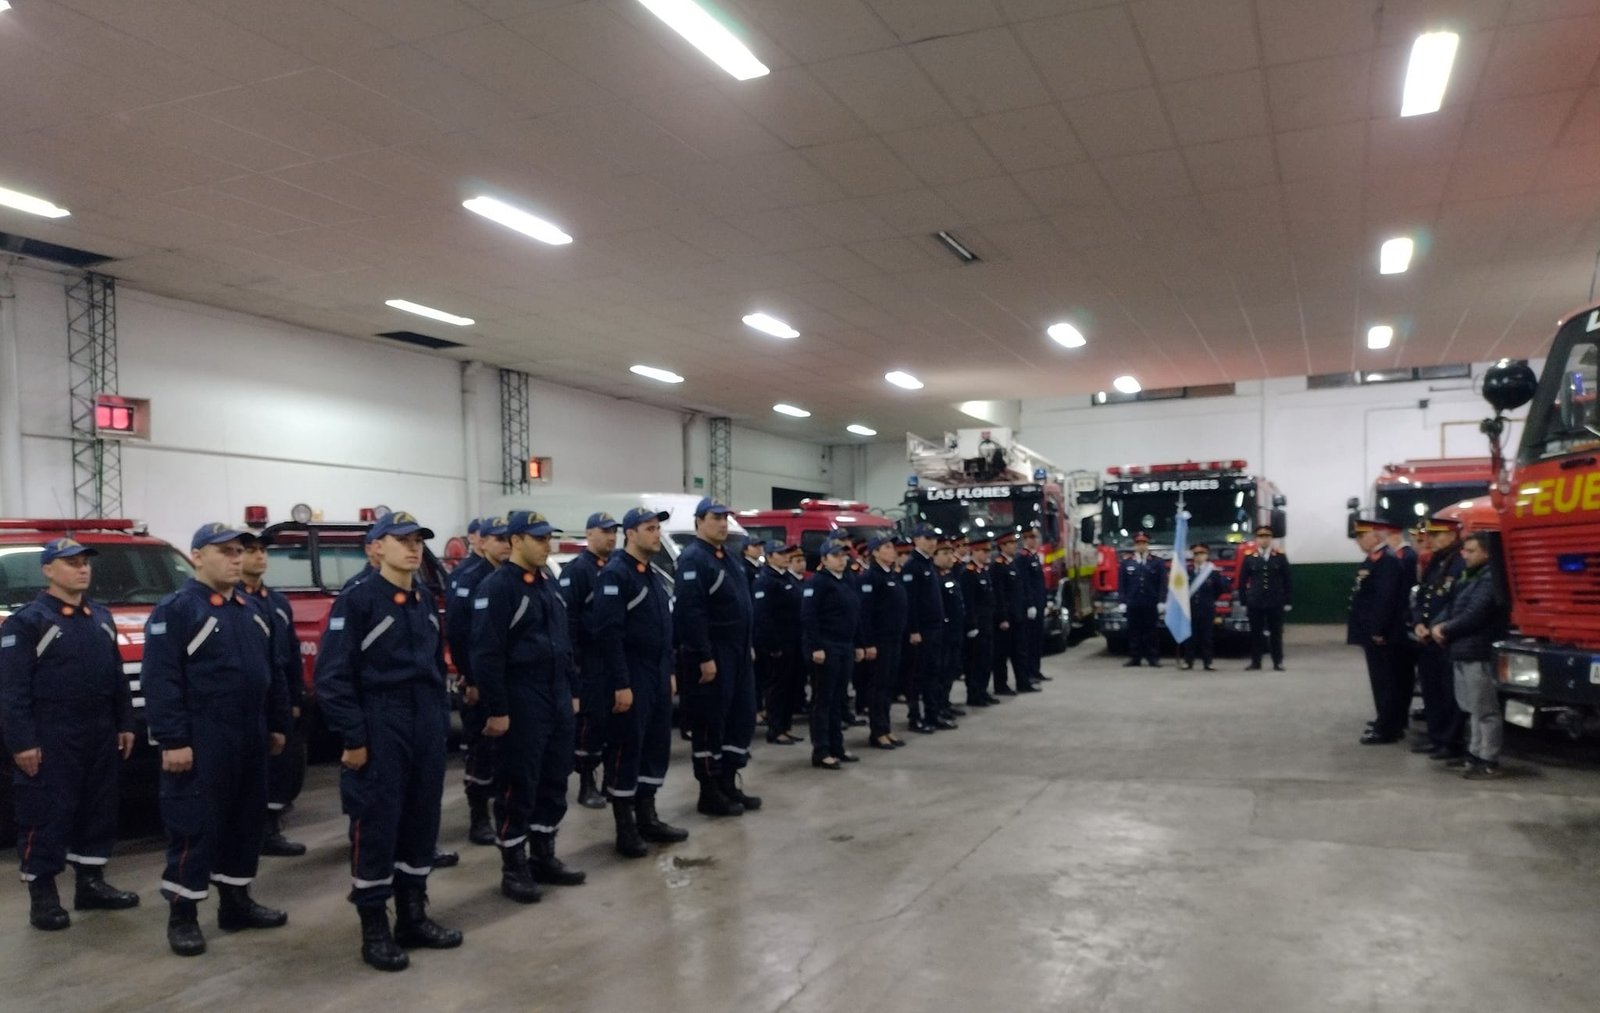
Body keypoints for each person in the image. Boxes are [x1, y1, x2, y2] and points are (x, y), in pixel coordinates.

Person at [315, 511, 462, 972]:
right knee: (377, 824)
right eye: (402, 540)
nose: (414, 548)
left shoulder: (422, 597)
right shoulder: (357, 600)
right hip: (381, 721)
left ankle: (413, 916)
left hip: (424, 720)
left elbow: (434, 665)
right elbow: (332, 677)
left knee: (422, 820)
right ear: (376, 547)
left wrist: (439, 718)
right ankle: (375, 928)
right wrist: (354, 735)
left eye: (418, 540)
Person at [143, 522, 292, 957]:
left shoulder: (251, 609)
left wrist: (277, 724)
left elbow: (273, 671)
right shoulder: (177, 610)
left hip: (250, 734)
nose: (236, 558)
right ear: (197, 556)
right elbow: (160, 680)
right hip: (203, 734)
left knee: (245, 822)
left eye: (239, 551)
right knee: (195, 826)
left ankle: (236, 903)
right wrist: (173, 739)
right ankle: (183, 915)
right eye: (224, 551)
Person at [0, 537, 138, 932]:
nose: (82, 569)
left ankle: (91, 884)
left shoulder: (101, 617)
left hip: (99, 730)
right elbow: (11, 690)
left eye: (85, 563)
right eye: (71, 563)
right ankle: (43, 897)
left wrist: (125, 722)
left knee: (98, 809)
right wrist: (22, 742)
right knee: (46, 813)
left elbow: (116, 676)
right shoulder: (28, 622)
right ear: (48, 570)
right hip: (52, 733)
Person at [472, 510, 587, 902]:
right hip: (522, 695)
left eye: (548, 538)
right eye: (538, 538)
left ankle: (543, 854)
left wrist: (572, 690)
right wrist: (498, 708)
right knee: (518, 782)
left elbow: (564, 643)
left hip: (555, 693)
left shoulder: (547, 583)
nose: (546, 545)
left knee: (555, 778)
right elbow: (486, 653)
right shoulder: (498, 587)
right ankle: (514, 866)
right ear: (516, 540)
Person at [592, 507, 689, 857]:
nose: (656, 534)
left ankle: (648, 817)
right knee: (627, 748)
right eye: (649, 529)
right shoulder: (616, 574)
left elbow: (664, 628)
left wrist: (671, 671)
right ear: (630, 534)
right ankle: (625, 828)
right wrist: (621, 683)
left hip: (657, 672)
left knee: (654, 746)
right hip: (631, 673)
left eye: (658, 528)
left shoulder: (651, 573)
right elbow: (608, 634)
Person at [675, 498, 761, 816]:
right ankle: (709, 792)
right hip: (714, 653)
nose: (723, 524)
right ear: (699, 521)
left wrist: (747, 643)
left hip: (738, 651)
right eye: (716, 518)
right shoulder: (694, 559)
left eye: (726, 518)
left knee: (740, 718)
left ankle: (728, 782)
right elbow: (690, 612)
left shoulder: (728, 557)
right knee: (711, 722)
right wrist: (703, 654)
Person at [239, 533, 307, 858]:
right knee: (249, 768)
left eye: (263, 550)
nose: (259, 556)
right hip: (247, 697)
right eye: (251, 550)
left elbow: (291, 653)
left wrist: (295, 698)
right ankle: (246, 833)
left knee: (281, 764)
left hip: (277, 694)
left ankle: (270, 829)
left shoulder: (278, 603)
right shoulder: (234, 602)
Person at [444, 516, 510, 846]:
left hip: (506, 680)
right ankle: (478, 818)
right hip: (479, 681)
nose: (506, 545)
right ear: (481, 542)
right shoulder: (468, 577)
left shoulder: (509, 576)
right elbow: (459, 633)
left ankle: (504, 812)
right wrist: (470, 678)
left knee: (504, 753)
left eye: (508, 539)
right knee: (481, 750)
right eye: (498, 539)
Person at [1429, 532, 1510, 779]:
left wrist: (1445, 629)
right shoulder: (1469, 577)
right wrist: (1436, 625)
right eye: (1465, 550)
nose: (1465, 555)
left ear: (1486, 553)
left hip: (1478, 651)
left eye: (1471, 551)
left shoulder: (1490, 579)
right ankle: (1475, 754)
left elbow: (1475, 614)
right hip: (1463, 650)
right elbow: (1452, 607)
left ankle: (1489, 760)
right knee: (1473, 707)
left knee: (1485, 709)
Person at [560, 512, 620, 812]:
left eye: (614, 532)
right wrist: (574, 664)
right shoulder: (577, 571)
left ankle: (612, 779)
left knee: (614, 723)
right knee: (590, 724)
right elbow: (568, 620)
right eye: (605, 531)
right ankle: (586, 783)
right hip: (589, 660)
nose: (611, 537)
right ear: (589, 534)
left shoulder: (616, 568)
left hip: (613, 660)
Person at [802, 540, 864, 770]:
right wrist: (816, 646)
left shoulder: (847, 580)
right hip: (826, 646)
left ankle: (837, 746)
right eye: (835, 556)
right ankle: (821, 750)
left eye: (843, 555)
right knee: (823, 700)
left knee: (839, 699)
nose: (841, 559)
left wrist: (859, 643)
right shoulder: (818, 582)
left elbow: (855, 613)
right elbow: (808, 616)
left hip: (845, 645)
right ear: (824, 559)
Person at [1347, 517, 1410, 744]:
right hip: (1374, 630)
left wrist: (1378, 630)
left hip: (1383, 633)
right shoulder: (1375, 559)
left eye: (1361, 537)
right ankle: (1386, 720)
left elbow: (1386, 599)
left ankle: (1387, 728)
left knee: (1385, 681)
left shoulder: (1387, 561)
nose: (1359, 542)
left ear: (1375, 536)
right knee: (1382, 680)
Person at [1411, 518, 1466, 758]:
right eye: (1429, 535)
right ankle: (1436, 736)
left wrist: (1437, 627)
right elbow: (1421, 597)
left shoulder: (1459, 563)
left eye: (1436, 535)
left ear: (1452, 536)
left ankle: (1451, 741)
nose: (1430, 540)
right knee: (1431, 690)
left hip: (1446, 638)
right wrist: (1418, 623)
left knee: (1448, 693)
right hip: (1427, 638)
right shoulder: (1436, 562)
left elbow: (1458, 603)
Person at [856, 535, 907, 750]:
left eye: (892, 547)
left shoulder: (892, 575)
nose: (892, 551)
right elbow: (865, 613)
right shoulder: (871, 577)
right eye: (886, 547)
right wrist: (868, 643)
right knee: (878, 686)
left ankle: (886, 728)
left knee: (888, 686)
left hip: (894, 638)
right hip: (880, 640)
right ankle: (877, 732)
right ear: (875, 552)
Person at [753, 542, 804, 746]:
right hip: (778, 645)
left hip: (793, 641)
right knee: (776, 689)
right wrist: (772, 645)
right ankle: (775, 729)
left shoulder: (786, 578)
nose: (785, 557)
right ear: (770, 557)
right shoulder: (765, 581)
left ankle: (785, 726)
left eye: (786, 553)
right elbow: (762, 616)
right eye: (781, 554)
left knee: (790, 687)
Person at [899, 525, 946, 733]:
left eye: (934, 538)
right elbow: (910, 601)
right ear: (916, 539)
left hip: (934, 627)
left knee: (933, 673)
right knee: (917, 675)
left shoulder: (928, 564)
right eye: (927, 538)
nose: (932, 542)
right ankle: (915, 716)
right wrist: (914, 629)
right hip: (922, 629)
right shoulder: (912, 566)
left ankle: (932, 714)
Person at [1238, 525, 1291, 671]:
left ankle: (1277, 662)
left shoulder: (1279, 556)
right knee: (1256, 633)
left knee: (1276, 633)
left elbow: (1287, 580)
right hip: (1255, 601)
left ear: (1271, 539)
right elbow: (1242, 581)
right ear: (1256, 539)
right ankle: (1256, 662)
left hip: (1275, 601)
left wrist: (1287, 601)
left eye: (1267, 537)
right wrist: (1243, 601)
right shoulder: (1249, 557)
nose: (1264, 540)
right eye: (1261, 537)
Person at [959, 535, 1000, 707]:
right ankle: (974, 694)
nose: (988, 554)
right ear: (974, 551)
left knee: (986, 659)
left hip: (987, 622)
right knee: (975, 660)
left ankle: (982, 691)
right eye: (984, 551)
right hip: (977, 624)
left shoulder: (983, 570)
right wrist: (971, 624)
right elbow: (968, 602)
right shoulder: (968, 573)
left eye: (989, 551)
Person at [1120, 532, 1166, 667]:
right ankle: (1135, 657)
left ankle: (1153, 657)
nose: (1141, 546)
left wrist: (1162, 601)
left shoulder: (1157, 562)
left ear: (1147, 545)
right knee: (1134, 631)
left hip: (1150, 602)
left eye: (1143, 543)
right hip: (1133, 602)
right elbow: (1122, 584)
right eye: (1138, 543)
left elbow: (1162, 583)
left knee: (1151, 631)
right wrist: (1122, 601)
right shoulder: (1127, 562)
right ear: (1135, 545)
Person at [932, 537, 965, 725]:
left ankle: (945, 702)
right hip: (943, 631)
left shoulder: (949, 575)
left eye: (950, 553)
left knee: (951, 669)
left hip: (954, 630)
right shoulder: (935, 577)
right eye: (944, 554)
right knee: (941, 670)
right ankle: (938, 706)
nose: (949, 557)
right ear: (935, 556)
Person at [1182, 544, 1230, 671]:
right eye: (1196, 554)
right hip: (1191, 608)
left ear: (1206, 555)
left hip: (1206, 608)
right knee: (1190, 637)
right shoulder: (1187, 571)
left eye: (1202, 554)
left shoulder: (1213, 573)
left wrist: (1210, 599)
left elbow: (1220, 588)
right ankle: (1188, 661)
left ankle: (1208, 662)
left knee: (1206, 637)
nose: (1199, 557)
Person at [1014, 527, 1049, 683]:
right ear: (1025, 540)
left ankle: (1035, 670)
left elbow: (1040, 583)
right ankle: (1028, 672)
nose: (1034, 541)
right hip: (1031, 605)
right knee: (1029, 640)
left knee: (1037, 640)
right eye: (1031, 538)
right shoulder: (1022, 558)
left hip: (1038, 603)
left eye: (1035, 538)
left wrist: (1044, 601)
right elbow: (1025, 583)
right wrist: (1030, 604)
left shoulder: (1033, 556)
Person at [992, 530, 1024, 694]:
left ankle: (1022, 682)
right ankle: (1001, 685)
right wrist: (1003, 617)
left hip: (1016, 615)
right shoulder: (998, 566)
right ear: (1002, 546)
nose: (1014, 546)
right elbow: (999, 595)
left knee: (1019, 651)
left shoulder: (1012, 564)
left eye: (1014, 543)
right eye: (1011, 543)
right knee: (1002, 653)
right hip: (1006, 617)